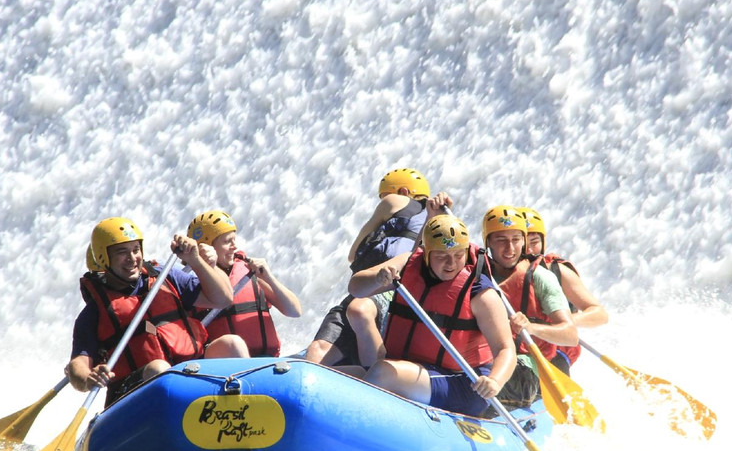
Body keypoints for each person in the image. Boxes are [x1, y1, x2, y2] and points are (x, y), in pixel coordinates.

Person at [347, 207, 516, 419]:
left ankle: (351, 424)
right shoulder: (409, 263)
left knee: (382, 372)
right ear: (426, 254)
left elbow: (506, 349)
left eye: (458, 255)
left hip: (463, 383)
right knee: (339, 375)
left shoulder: (480, 293)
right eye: (442, 256)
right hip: (413, 370)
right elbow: (355, 288)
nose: (451, 264)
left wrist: (495, 381)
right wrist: (377, 279)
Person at [67, 216, 247, 407]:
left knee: (231, 344)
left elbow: (222, 299)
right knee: (159, 369)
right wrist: (88, 378)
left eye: (136, 250)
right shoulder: (94, 312)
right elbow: (77, 365)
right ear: (104, 257)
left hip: (190, 369)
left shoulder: (165, 276)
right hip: (134, 392)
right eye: (122, 252)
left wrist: (195, 260)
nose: (132, 258)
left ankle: (247, 407)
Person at [305, 168, 431, 370]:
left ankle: (372, 374)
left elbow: (352, 255)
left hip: (379, 291)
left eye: (384, 196)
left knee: (317, 351)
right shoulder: (435, 221)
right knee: (356, 314)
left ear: (404, 192)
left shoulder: (395, 201)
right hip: (374, 292)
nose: (382, 201)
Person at [481, 206, 578, 407]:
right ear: (488, 242)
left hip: (527, 371)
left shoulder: (541, 278)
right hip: (487, 360)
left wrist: (530, 328)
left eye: (516, 239)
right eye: (501, 240)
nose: (510, 248)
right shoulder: (478, 273)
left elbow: (570, 334)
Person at [186, 209, 302, 357]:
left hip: (263, 361)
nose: (234, 246)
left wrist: (269, 278)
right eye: (227, 241)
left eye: (234, 240)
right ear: (207, 246)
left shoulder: (249, 272)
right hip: (221, 366)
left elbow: (295, 311)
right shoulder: (189, 282)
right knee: (233, 344)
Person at [520, 206, 609, 370]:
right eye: (523, 243)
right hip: (520, 348)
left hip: (557, 348)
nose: (529, 250)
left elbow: (600, 314)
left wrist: (564, 322)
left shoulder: (556, 270)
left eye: (534, 242)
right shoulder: (500, 273)